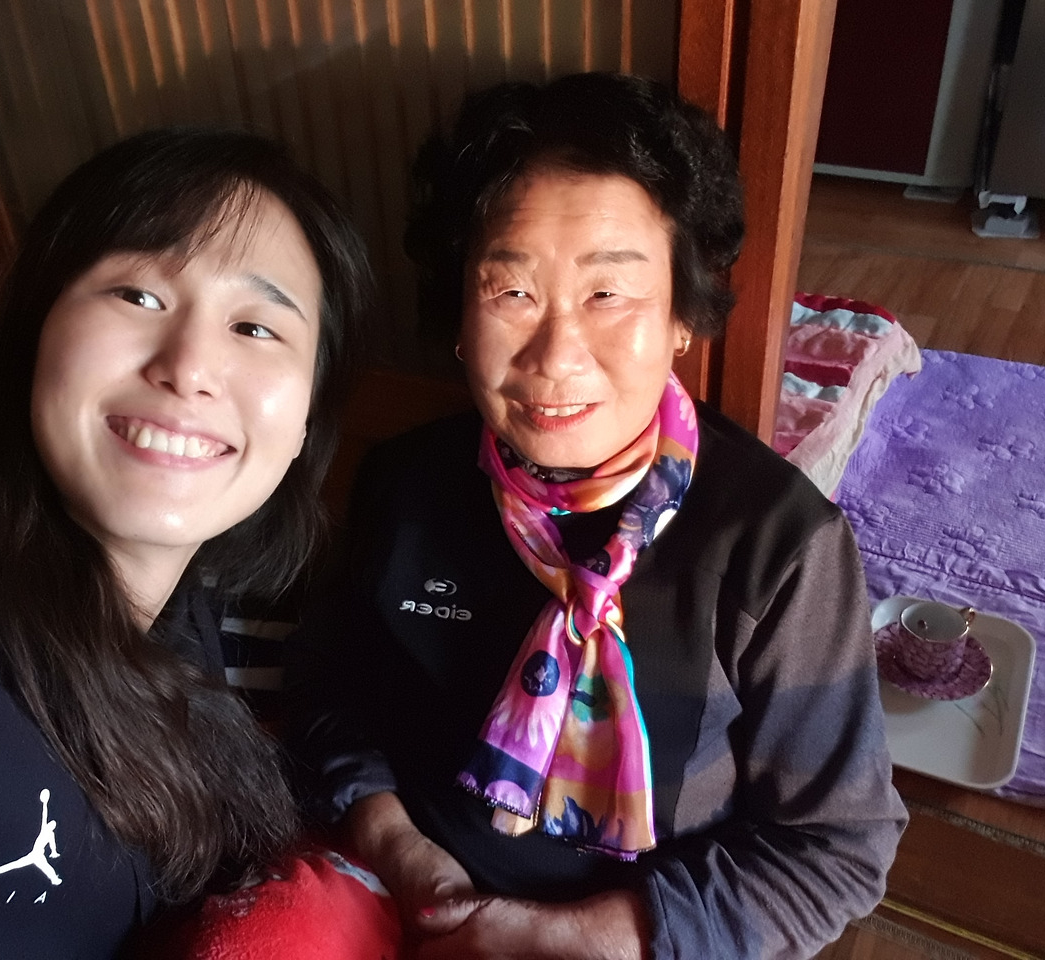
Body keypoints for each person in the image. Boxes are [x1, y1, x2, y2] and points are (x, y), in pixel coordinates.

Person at [289, 72, 907, 959]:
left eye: (608, 294)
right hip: (405, 900)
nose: (556, 355)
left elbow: (836, 846)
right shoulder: (402, 483)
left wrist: (586, 939)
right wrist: (404, 856)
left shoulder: (778, 548)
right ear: (459, 316)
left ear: (683, 318)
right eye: (511, 293)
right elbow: (331, 693)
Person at [0, 127, 370, 958]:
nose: (189, 367)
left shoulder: (179, 603)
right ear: (34, 334)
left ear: (306, 420)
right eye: (138, 295)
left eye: (256, 327)